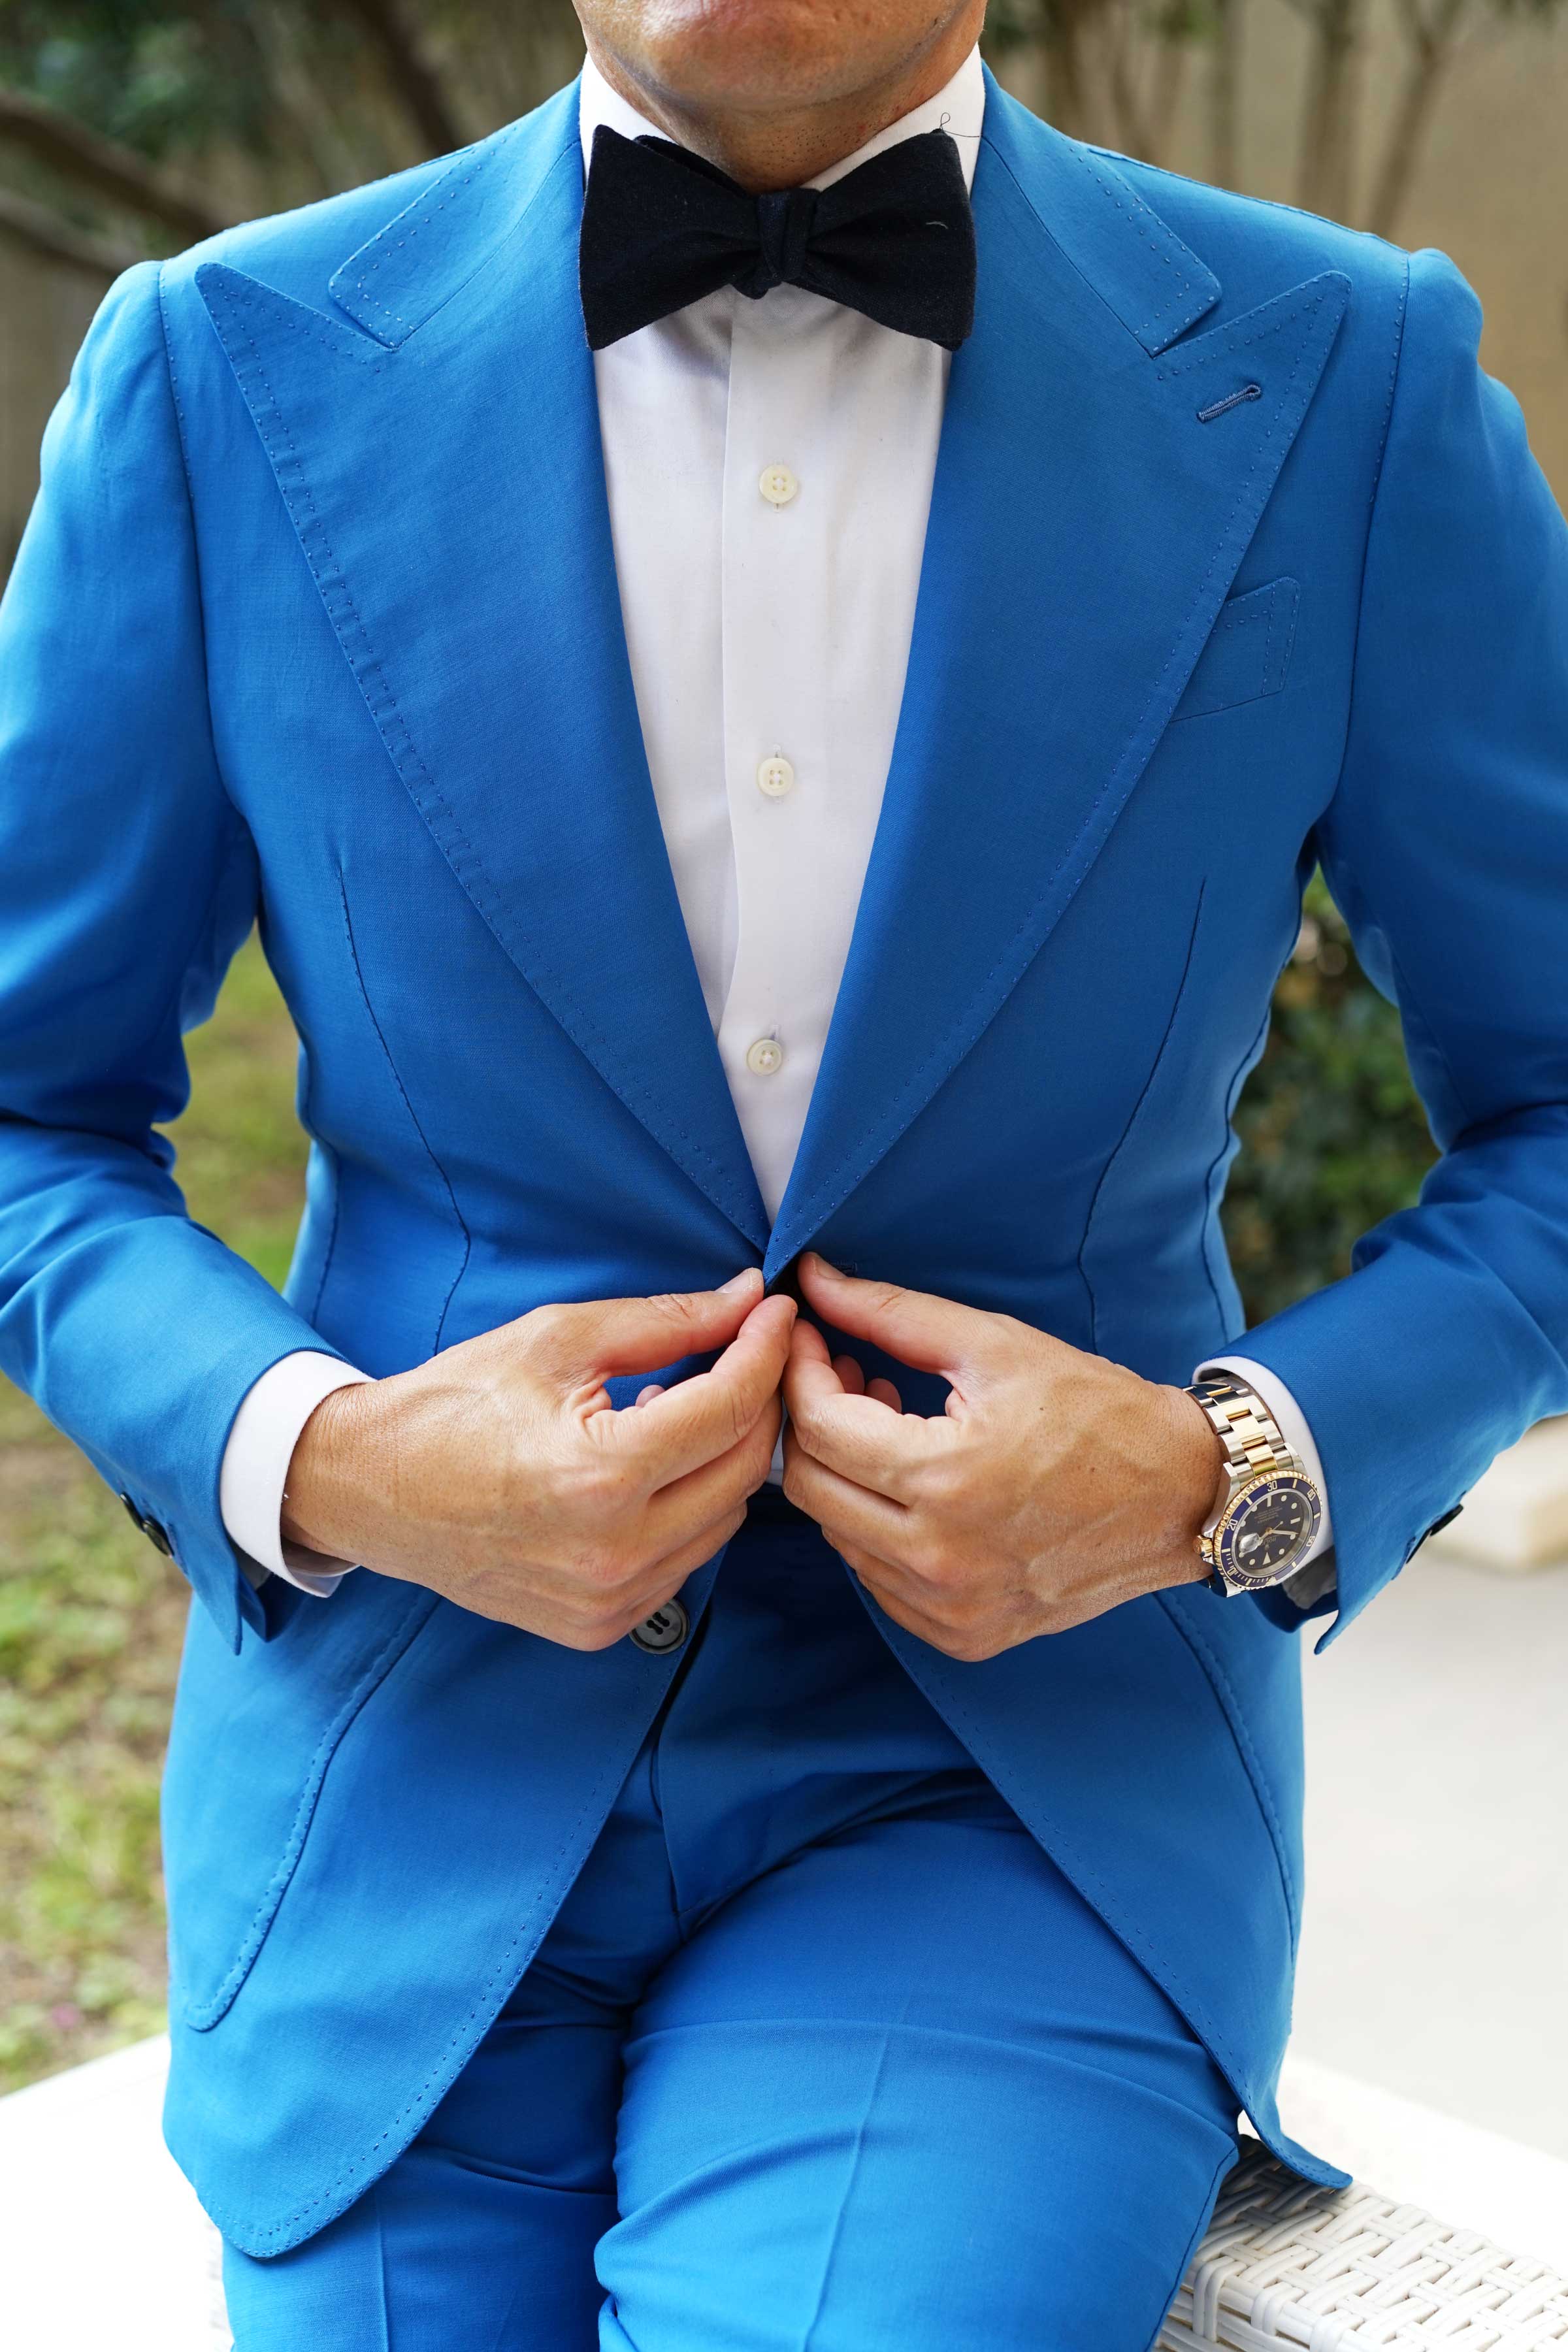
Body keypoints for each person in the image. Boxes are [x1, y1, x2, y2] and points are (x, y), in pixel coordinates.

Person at [1, 0, 1565, 2340]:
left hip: (1006, 1786)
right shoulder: (216, 367)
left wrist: (1215, 1472)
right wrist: (326, 1459)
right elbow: (29, 1108)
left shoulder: (1347, 375)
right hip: (403, 1773)